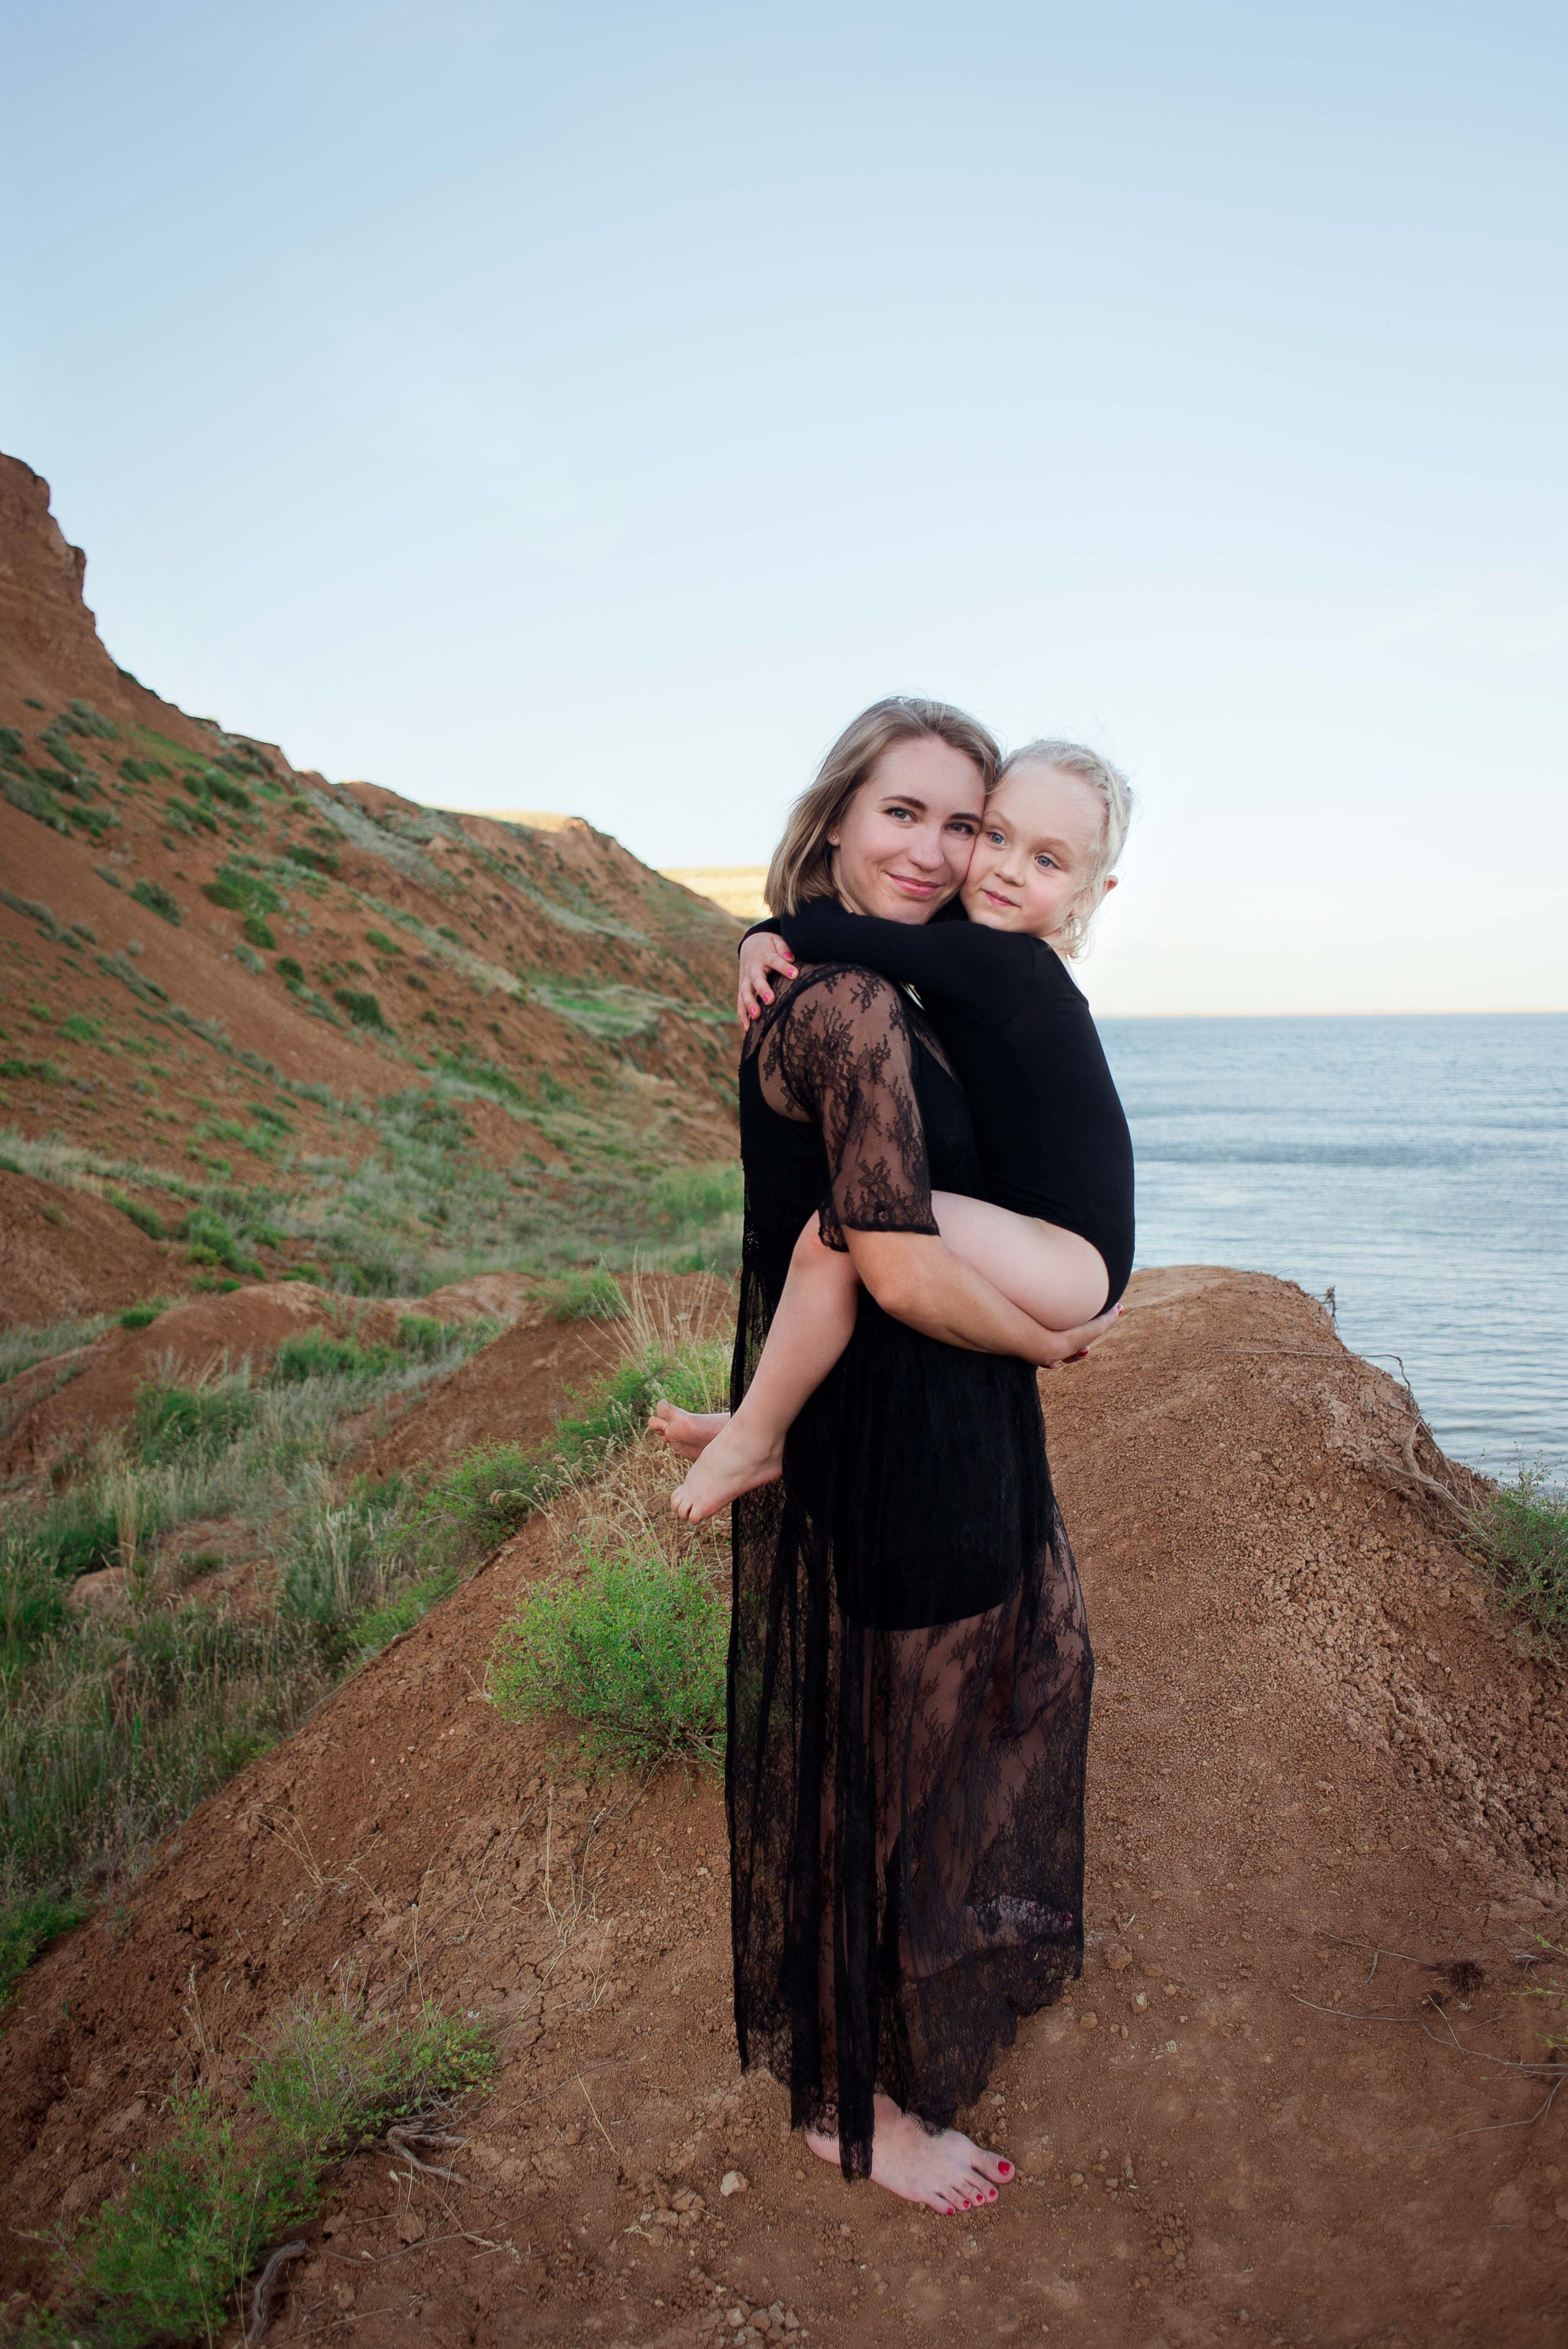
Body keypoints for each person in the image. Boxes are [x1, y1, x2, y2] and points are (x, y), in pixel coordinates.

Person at [663, 696, 1106, 2215]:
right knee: (880, 1782)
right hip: (903, 1440)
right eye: (903, 812)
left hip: (954, 1418)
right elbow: (893, 1266)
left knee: (1024, 1673)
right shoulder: (842, 1007)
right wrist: (1049, 1337)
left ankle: (931, 1965)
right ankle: (854, 2110)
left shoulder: (900, 994)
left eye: (964, 823)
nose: (938, 849)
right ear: (838, 818)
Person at [657, 739, 1134, 1525]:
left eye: (1048, 863)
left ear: (1091, 892)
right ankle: (756, 1421)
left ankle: (759, 1435)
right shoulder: (978, 942)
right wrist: (762, 933)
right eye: (995, 836)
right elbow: (863, 934)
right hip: (1053, 1240)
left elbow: (846, 935)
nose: (1010, 869)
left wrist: (762, 934)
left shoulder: (1003, 962)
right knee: (854, 1227)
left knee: (841, 1231)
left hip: (1069, 1253)